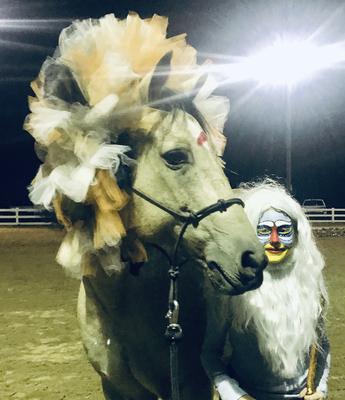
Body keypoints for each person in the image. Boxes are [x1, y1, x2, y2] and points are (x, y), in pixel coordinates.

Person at [201, 181, 330, 400]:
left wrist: (321, 389)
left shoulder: (310, 285)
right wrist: (234, 395)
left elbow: (322, 348)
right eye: (264, 230)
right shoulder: (233, 292)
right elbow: (210, 354)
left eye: (283, 230)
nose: (274, 240)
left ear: (298, 235)